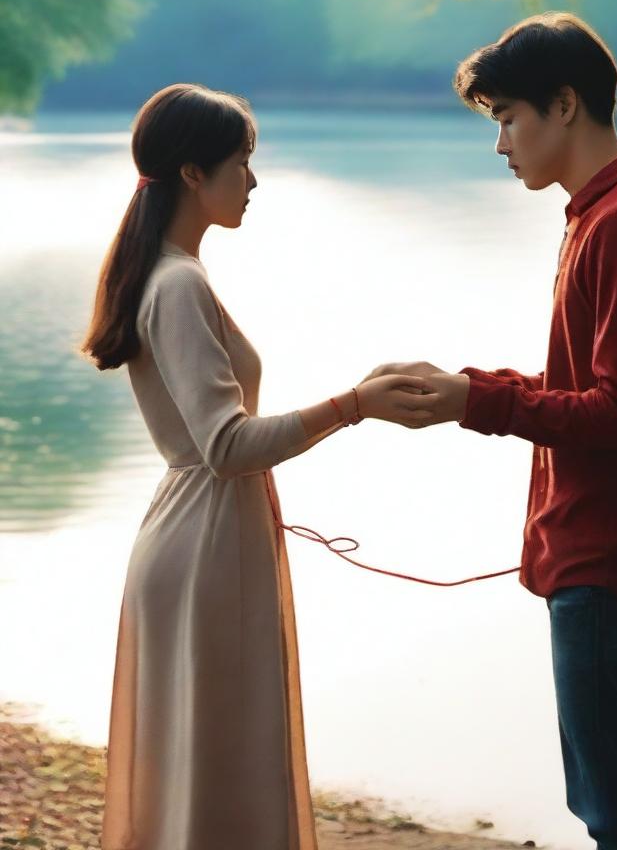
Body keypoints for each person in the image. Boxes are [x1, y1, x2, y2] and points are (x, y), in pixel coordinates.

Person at [369, 13, 617, 849]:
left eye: (507, 118)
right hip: (606, 560)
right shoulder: (603, 215)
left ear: (565, 105)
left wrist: (475, 405)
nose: (500, 145)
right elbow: (586, 390)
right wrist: (468, 387)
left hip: (614, 564)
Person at [81, 83, 434, 850]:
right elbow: (227, 446)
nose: (254, 181)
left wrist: (358, 397)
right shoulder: (176, 284)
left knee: (215, 757)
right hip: (205, 540)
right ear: (192, 175)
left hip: (206, 531)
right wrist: (355, 405)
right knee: (220, 760)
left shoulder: (174, 273)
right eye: (243, 163)